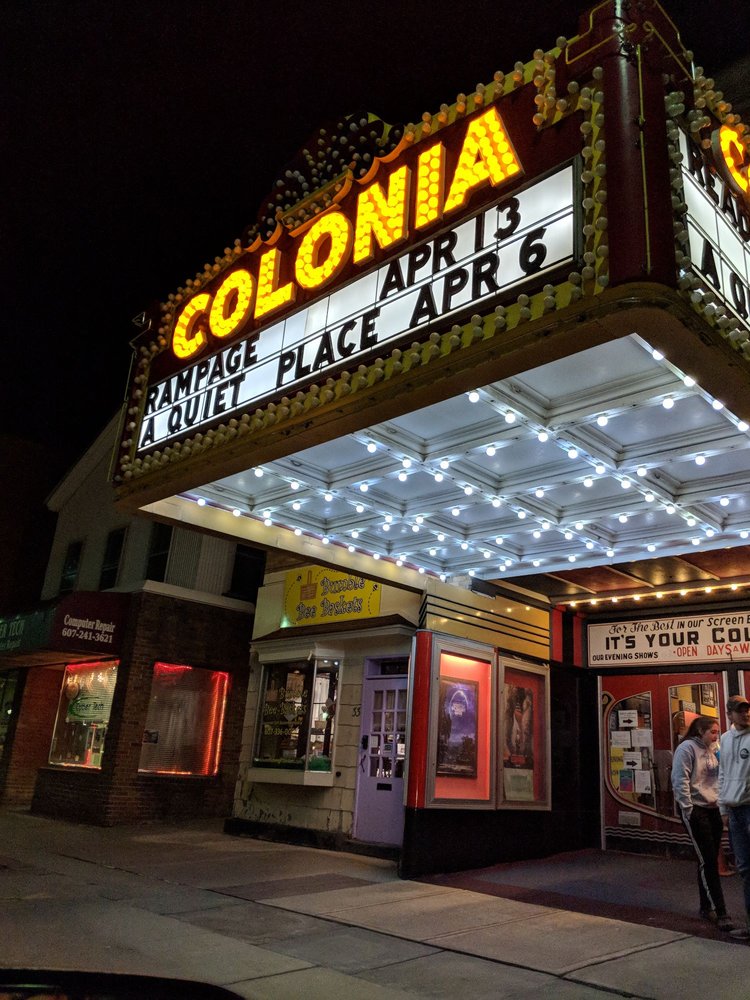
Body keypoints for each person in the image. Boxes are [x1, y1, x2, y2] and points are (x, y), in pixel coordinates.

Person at [672, 715, 737, 931]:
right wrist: (687, 808)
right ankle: (720, 910)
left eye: (718, 732)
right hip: (696, 808)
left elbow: (721, 776)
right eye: (713, 732)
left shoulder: (714, 749)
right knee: (707, 859)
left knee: (707, 858)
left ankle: (705, 906)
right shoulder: (687, 748)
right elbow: (680, 778)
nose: (716, 735)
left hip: (713, 807)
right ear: (701, 731)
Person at [718, 696, 750, 939]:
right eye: (740, 711)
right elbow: (723, 773)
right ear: (729, 714)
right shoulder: (725, 739)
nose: (746, 714)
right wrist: (723, 808)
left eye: (747, 710)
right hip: (734, 810)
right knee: (745, 868)